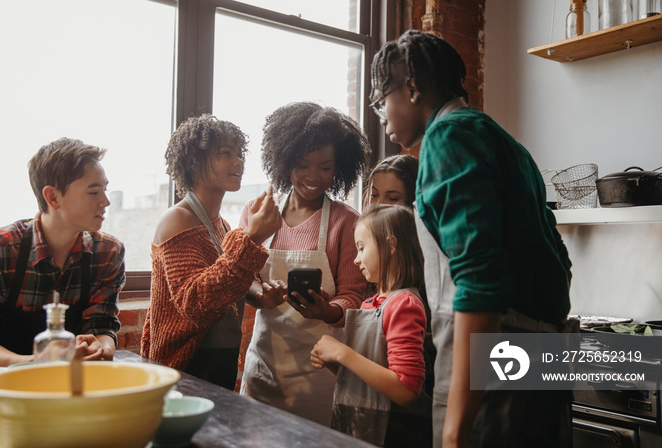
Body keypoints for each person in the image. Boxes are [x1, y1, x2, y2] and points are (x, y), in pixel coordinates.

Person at [369, 30, 574, 448]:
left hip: (492, 363)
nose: (380, 114)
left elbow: (480, 279)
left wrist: (456, 429)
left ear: (411, 88)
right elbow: (560, 260)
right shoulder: (504, 141)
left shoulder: (449, 138)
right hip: (540, 357)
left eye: (380, 99)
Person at [239, 102, 370, 426]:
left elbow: (354, 295)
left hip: (318, 375)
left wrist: (326, 310)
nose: (313, 177)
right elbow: (240, 276)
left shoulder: (346, 222)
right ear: (284, 162)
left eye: (325, 167)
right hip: (263, 369)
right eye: (302, 165)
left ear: (338, 168)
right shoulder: (257, 213)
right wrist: (260, 294)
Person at [140, 114, 281, 391]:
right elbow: (194, 302)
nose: (239, 161)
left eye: (240, 153)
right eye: (225, 153)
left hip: (220, 361)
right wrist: (252, 237)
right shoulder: (177, 220)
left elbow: (228, 281)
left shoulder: (222, 224)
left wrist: (260, 295)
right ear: (195, 162)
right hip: (182, 368)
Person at [0, 138, 125, 368]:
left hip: (69, 382)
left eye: (105, 190)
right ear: (53, 197)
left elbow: (101, 326)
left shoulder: (108, 253)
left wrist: (101, 349)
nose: (106, 201)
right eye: (93, 192)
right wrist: (36, 364)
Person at [311, 204, 432, 447]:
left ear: (391, 245)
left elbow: (406, 391)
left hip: (391, 434)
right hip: (357, 427)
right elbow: (370, 377)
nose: (356, 259)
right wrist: (337, 364)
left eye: (362, 248)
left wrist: (342, 353)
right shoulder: (369, 304)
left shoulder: (404, 304)